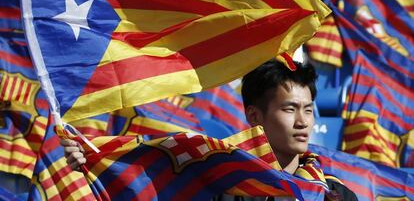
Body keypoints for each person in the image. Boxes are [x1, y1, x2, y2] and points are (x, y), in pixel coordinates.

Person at [61, 59, 357, 200]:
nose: (304, 122)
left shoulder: (333, 194)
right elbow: (149, 179)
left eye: (308, 109)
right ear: (255, 115)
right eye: (290, 109)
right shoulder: (221, 179)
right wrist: (96, 161)